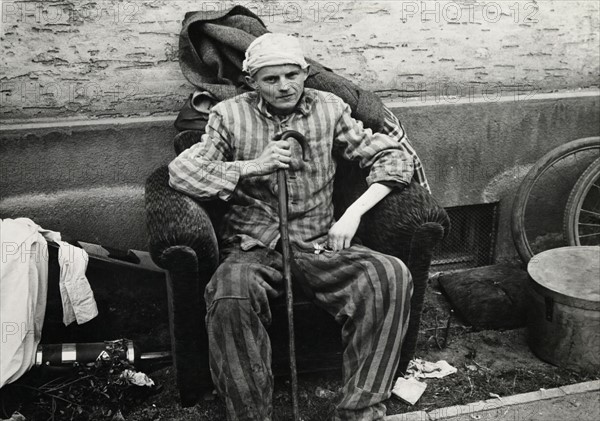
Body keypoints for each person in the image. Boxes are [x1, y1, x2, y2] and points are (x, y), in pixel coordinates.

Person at [168, 33, 420, 421]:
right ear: (252, 81)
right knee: (228, 294)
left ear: (304, 73)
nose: (284, 86)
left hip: (320, 243)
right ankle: (251, 415)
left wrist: (352, 213)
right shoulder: (229, 115)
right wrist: (255, 165)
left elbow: (392, 156)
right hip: (253, 247)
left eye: (291, 75)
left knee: (390, 274)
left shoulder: (330, 109)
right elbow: (182, 173)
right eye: (271, 79)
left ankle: (360, 409)